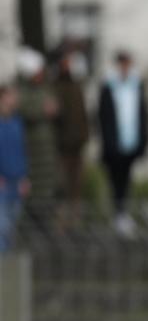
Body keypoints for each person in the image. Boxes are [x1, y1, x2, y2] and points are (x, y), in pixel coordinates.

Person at [98, 50, 148, 236]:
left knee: (126, 180)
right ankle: (117, 214)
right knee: (116, 180)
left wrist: (144, 141)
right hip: (114, 145)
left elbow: (143, 115)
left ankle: (124, 214)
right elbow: (103, 118)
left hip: (131, 142)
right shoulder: (109, 86)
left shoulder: (136, 85)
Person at [15, 47, 58, 222]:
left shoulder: (42, 89)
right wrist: (43, 110)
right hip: (31, 152)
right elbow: (24, 109)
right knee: (33, 197)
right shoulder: (21, 91)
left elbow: (52, 105)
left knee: (46, 195)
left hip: (45, 153)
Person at [54, 46, 90, 229]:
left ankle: (75, 224)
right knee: (62, 187)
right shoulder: (56, 87)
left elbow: (83, 115)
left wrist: (84, 136)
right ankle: (61, 224)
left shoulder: (77, 86)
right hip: (62, 147)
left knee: (76, 188)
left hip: (77, 145)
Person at [0, 86, 29, 252]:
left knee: (12, 229)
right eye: (9, 97)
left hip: (17, 183)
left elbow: (22, 151)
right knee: (2, 228)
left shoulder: (17, 123)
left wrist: (24, 177)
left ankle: (8, 271)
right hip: (2, 184)